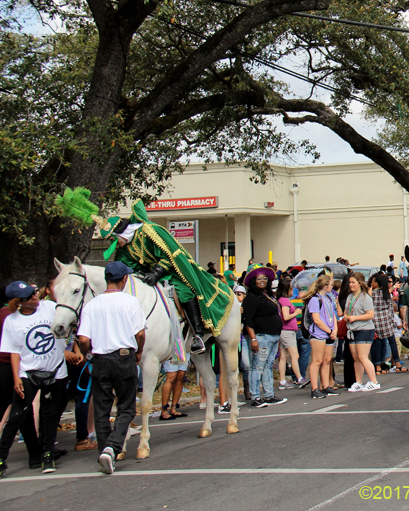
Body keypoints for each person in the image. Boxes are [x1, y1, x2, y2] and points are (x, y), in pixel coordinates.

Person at [54, 192, 234, 356]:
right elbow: (125, 269)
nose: (113, 243)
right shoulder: (123, 250)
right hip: (146, 279)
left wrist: (156, 273)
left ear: (120, 233)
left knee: (185, 292)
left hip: (171, 273)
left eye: (113, 239)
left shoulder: (148, 232)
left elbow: (169, 256)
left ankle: (198, 334)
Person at [75, 261, 146, 475]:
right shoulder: (131, 302)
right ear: (124, 280)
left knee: (101, 409)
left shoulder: (92, 305)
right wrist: (139, 351)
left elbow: (83, 338)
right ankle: (112, 447)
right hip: (124, 357)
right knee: (126, 407)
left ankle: (103, 451)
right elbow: (140, 334)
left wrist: (88, 353)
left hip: (100, 358)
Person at [0, 281, 69, 477]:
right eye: (29, 296)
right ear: (19, 302)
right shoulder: (12, 321)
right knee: (16, 416)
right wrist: (16, 378)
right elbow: (14, 351)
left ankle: (47, 454)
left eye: (34, 292)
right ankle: (1, 458)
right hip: (28, 372)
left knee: (49, 414)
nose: (34, 296)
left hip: (55, 371)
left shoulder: (49, 307)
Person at [242, 264, 287, 408]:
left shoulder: (268, 296)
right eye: (258, 278)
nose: (262, 281)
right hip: (261, 337)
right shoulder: (251, 297)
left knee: (268, 366)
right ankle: (255, 397)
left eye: (265, 278)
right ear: (253, 281)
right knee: (257, 367)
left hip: (273, 337)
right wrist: (253, 338)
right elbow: (247, 319)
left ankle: (268, 395)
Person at [302, 275, 341, 399]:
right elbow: (316, 320)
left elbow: (333, 315)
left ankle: (326, 386)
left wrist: (334, 329)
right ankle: (314, 388)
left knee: (326, 360)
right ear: (325, 286)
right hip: (319, 333)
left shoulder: (329, 298)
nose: (332, 287)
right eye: (330, 285)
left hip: (329, 332)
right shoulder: (315, 299)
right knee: (317, 361)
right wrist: (329, 330)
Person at [343, 273, 380, 392]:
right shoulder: (350, 297)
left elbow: (370, 314)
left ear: (360, 283)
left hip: (364, 329)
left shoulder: (365, 297)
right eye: (350, 282)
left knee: (363, 356)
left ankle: (374, 381)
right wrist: (346, 316)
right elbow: (346, 310)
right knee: (356, 358)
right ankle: (358, 382)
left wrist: (356, 318)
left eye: (353, 282)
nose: (351, 285)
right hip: (352, 329)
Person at [275, 279, 305, 392]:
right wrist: (296, 313)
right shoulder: (285, 301)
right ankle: (299, 378)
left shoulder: (281, 300)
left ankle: (282, 380)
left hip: (285, 331)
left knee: (283, 357)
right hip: (288, 331)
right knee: (295, 356)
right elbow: (286, 317)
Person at [159, 352, 189, 420]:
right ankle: (164, 410)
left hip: (183, 347)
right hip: (173, 347)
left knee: (181, 376)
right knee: (171, 377)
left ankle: (174, 408)